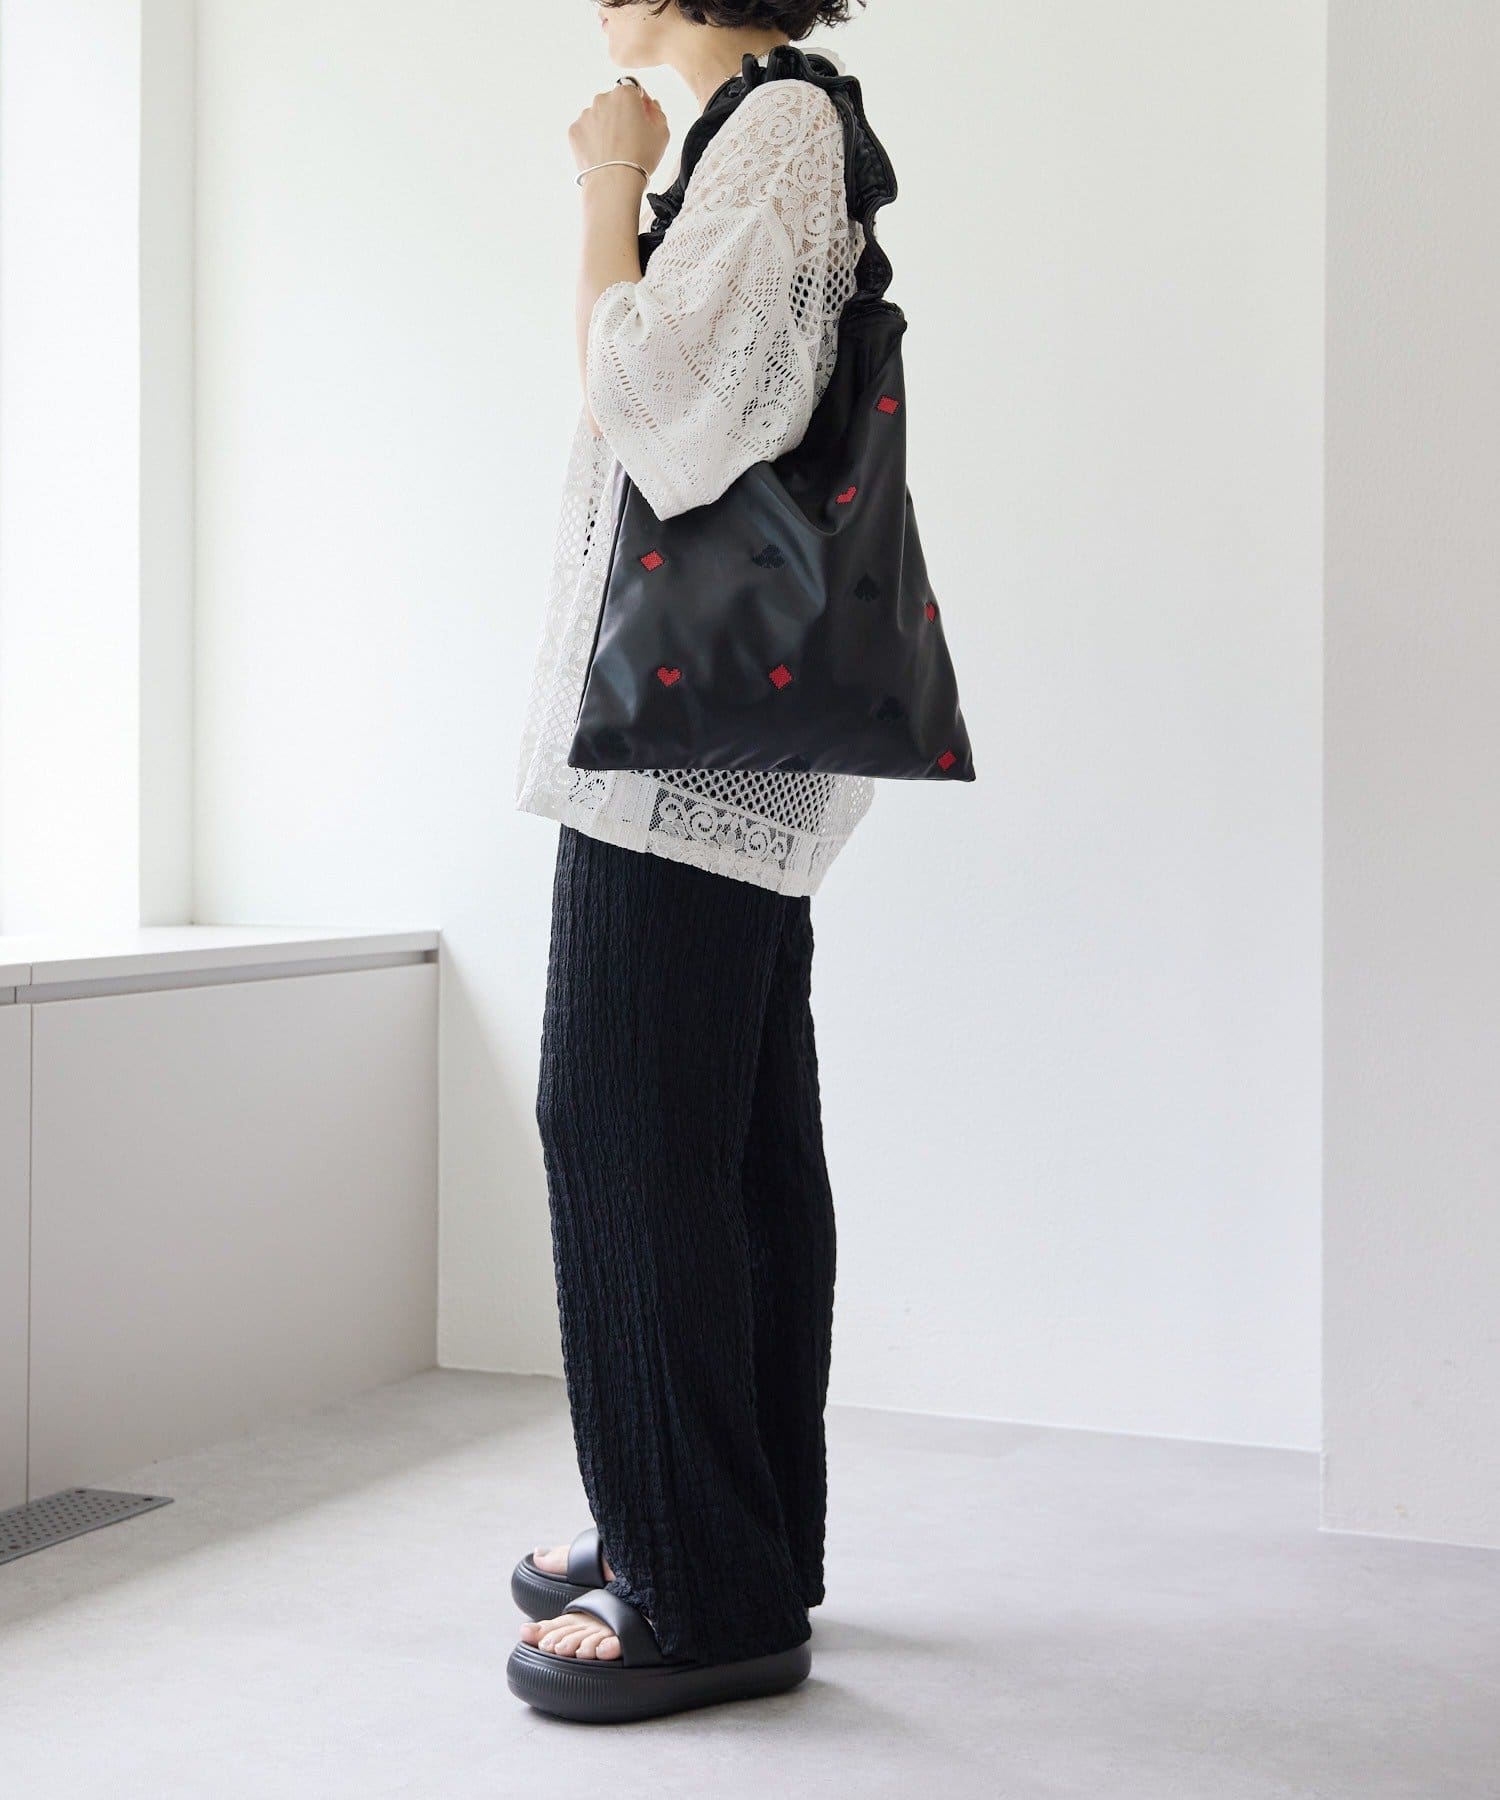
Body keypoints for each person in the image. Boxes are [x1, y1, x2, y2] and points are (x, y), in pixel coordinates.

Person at [509, 0, 883, 1723]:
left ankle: (694, 1586)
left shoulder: (775, 130)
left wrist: (608, 185)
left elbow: (662, 411)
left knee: (625, 1128)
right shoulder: (768, 129)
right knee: (726, 1144)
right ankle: (732, 1537)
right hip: (712, 734)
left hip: (684, 746)